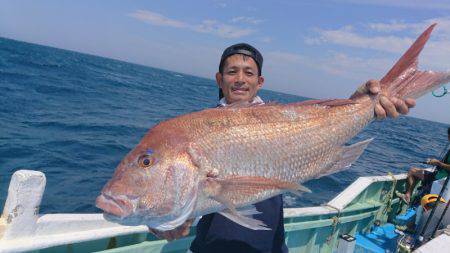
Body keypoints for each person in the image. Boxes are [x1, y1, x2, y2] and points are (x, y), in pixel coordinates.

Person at [150, 43, 416, 252]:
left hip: (271, 246)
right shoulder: (196, 132)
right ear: (220, 80)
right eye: (232, 72)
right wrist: (164, 223)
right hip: (210, 247)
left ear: (260, 82)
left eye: (249, 73)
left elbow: (317, 127)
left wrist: (360, 103)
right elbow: (172, 204)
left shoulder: (278, 119)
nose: (240, 79)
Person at [397, 127, 450, 204]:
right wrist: (433, 162)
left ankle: (414, 199)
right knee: (412, 171)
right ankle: (407, 196)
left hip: (439, 182)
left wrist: (438, 163)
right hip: (437, 176)